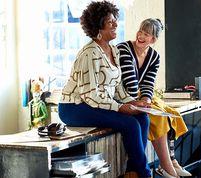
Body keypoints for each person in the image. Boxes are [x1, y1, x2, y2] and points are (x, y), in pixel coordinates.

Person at [58, 1, 151, 178]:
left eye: (115, 20)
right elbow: (91, 95)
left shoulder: (113, 50)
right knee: (129, 124)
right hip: (75, 107)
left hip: (94, 103)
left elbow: (117, 88)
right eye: (110, 22)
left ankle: (132, 171)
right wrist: (120, 107)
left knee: (142, 117)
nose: (116, 24)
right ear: (98, 28)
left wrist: (133, 102)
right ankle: (144, 174)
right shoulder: (89, 54)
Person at [117, 18, 192, 178]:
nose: (141, 36)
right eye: (140, 31)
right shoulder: (124, 48)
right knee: (158, 118)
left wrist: (147, 100)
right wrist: (144, 102)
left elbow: (148, 84)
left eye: (146, 34)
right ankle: (167, 167)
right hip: (123, 97)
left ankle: (171, 161)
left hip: (140, 97)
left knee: (171, 113)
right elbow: (130, 84)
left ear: (153, 39)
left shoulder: (154, 57)